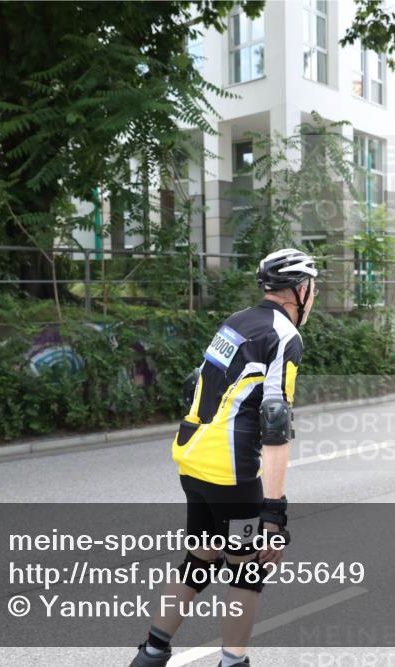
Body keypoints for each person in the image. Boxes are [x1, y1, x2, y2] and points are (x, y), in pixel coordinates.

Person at [130, 248, 318, 667]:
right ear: (299, 290)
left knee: (201, 557)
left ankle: (152, 652)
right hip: (232, 475)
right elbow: (274, 421)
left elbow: (196, 382)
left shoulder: (236, 321)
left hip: (193, 462)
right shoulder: (284, 336)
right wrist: (274, 511)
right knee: (247, 573)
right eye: (313, 288)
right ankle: (233, 662)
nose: (314, 296)